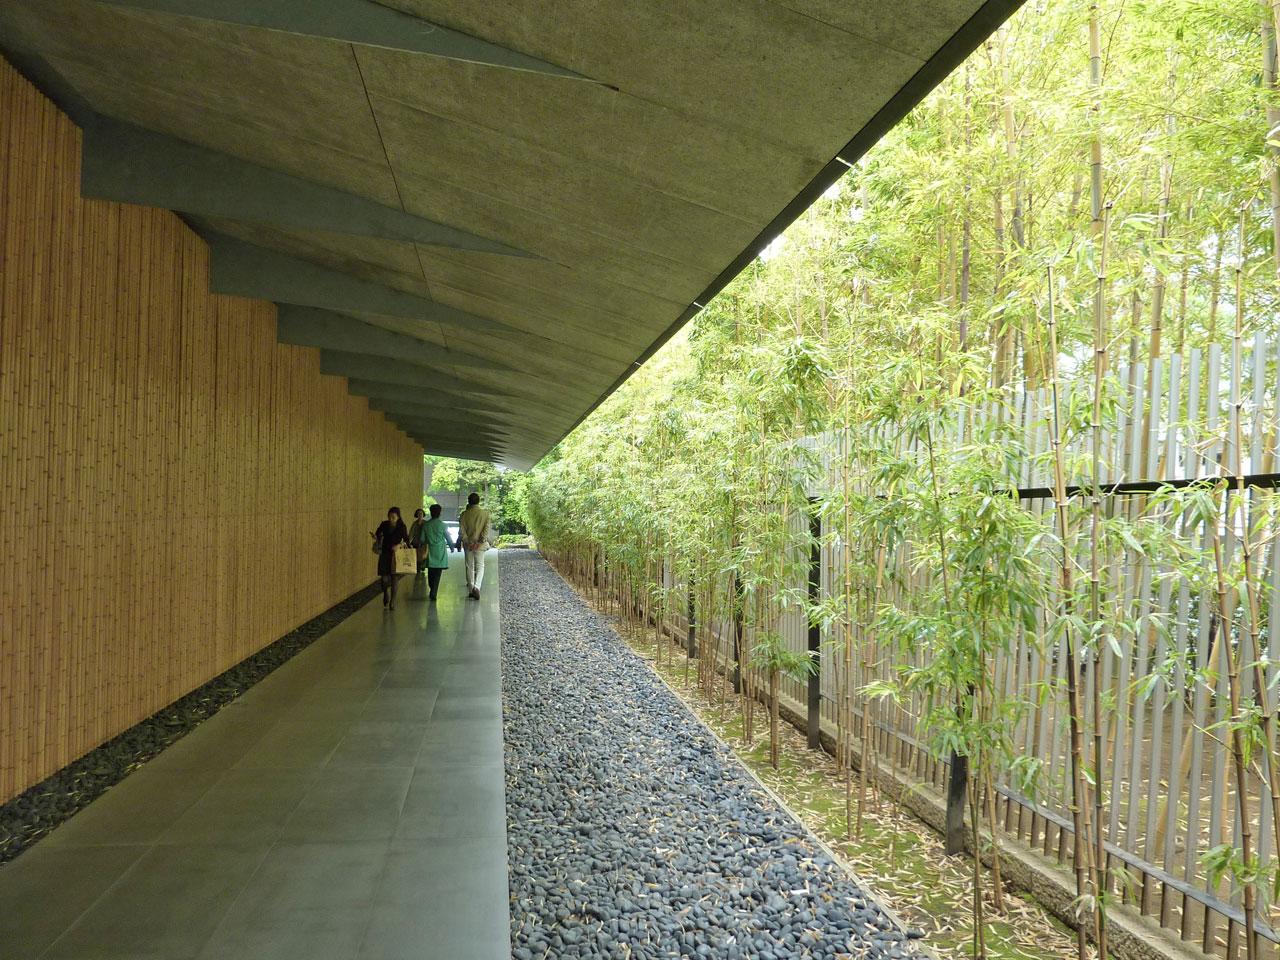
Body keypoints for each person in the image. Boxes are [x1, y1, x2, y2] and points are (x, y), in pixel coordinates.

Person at [371, 506, 409, 610]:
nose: (391, 519)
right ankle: (385, 593)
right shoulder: (384, 524)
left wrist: (399, 545)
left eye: (393, 517)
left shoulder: (402, 526)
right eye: (389, 517)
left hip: (396, 555)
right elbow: (378, 534)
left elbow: (407, 540)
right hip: (385, 554)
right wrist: (375, 537)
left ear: (398, 517)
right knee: (384, 579)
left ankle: (393, 600)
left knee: (394, 578)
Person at [458, 491, 492, 599]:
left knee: (469, 566)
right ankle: (477, 587)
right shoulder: (485, 514)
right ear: (479, 501)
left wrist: (467, 541)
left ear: (468, 501)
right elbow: (486, 530)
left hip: (468, 545)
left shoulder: (464, 514)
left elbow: (462, 530)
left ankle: (471, 589)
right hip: (480, 545)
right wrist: (479, 542)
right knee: (480, 566)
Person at [421, 503, 456, 601]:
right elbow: (448, 537)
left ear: (431, 513)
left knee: (431, 572)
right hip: (440, 552)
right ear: (440, 513)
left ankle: (432, 588)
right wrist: (452, 546)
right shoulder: (443, 525)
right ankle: (434, 591)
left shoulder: (426, 525)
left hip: (430, 551)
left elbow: (422, 539)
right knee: (437, 573)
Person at [409, 508, 429, 573]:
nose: (420, 515)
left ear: (423, 514)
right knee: (417, 558)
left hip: (423, 544)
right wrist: (408, 542)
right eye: (418, 514)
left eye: (421, 513)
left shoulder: (426, 523)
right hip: (415, 543)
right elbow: (411, 533)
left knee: (423, 557)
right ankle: (418, 570)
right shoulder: (414, 524)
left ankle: (421, 567)